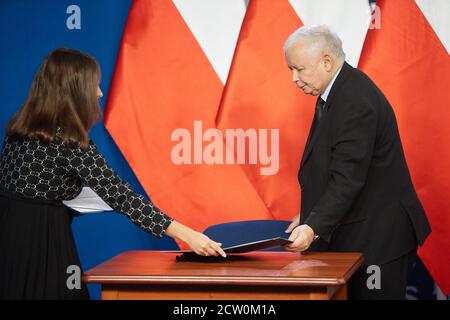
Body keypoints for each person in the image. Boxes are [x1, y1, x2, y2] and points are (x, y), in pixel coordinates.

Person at [0, 48, 226, 300]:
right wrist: (188, 235)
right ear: (75, 91)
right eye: (94, 86)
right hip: (44, 245)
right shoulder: (69, 141)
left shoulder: (18, 130)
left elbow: (34, 189)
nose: (99, 93)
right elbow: (120, 195)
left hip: (10, 243)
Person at [282, 25, 431, 299]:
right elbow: (335, 166)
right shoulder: (338, 91)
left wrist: (313, 226)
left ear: (327, 61)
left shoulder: (354, 101)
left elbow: (347, 179)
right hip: (361, 232)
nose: (294, 78)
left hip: (378, 239)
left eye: (299, 69)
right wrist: (312, 214)